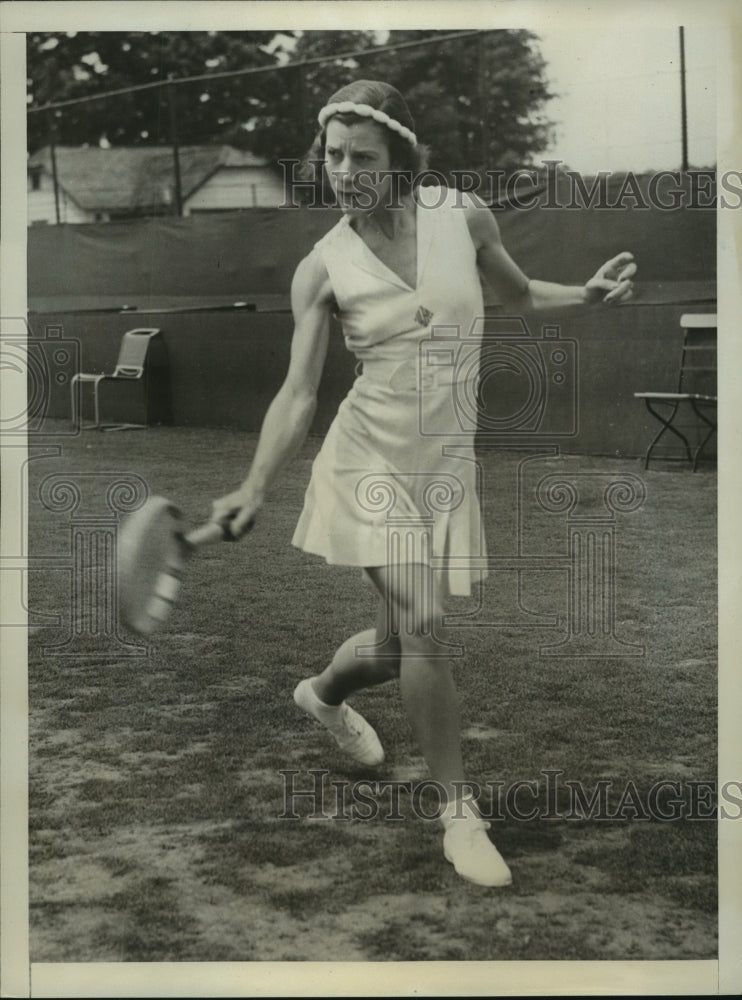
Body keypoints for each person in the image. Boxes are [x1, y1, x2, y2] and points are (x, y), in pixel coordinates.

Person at [212, 79, 635, 888]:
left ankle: (322, 694)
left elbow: (516, 295)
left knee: (396, 644)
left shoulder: (464, 216)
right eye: (332, 156)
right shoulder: (321, 268)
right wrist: (255, 486)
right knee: (428, 627)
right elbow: (299, 392)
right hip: (364, 463)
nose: (342, 171)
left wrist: (586, 294)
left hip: (442, 467)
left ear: (400, 160)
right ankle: (458, 815)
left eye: (361, 157)